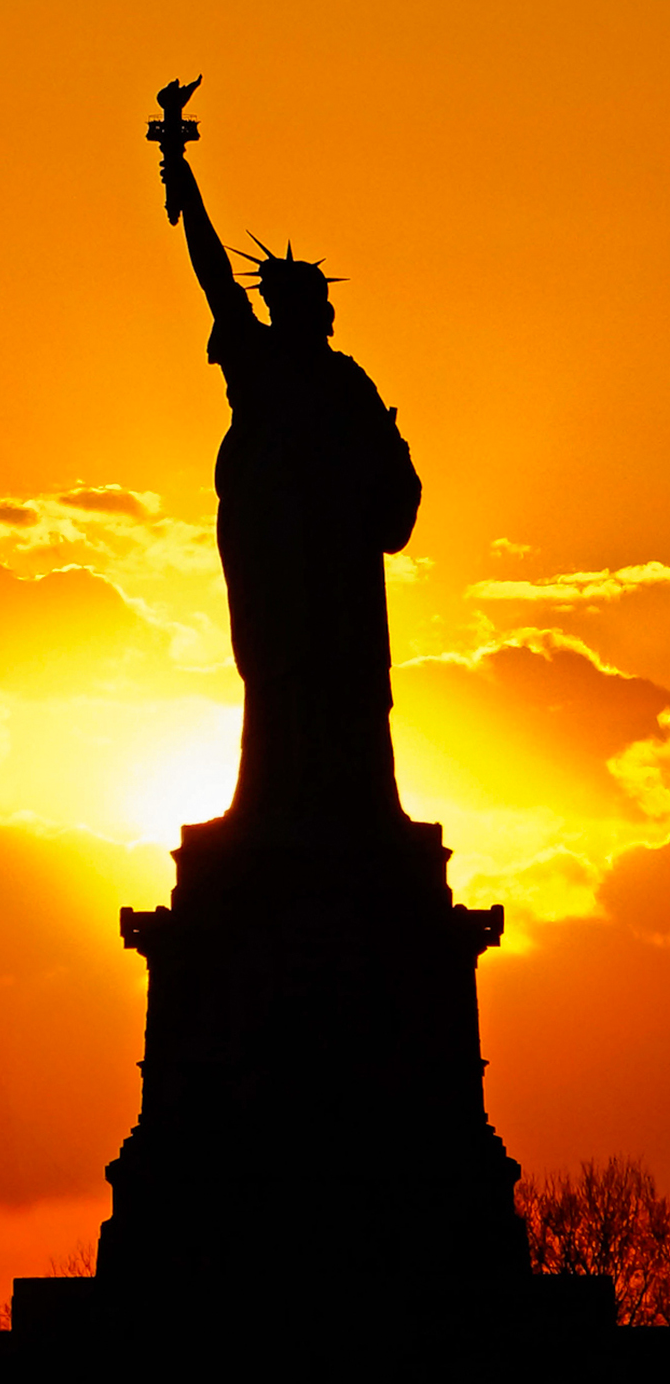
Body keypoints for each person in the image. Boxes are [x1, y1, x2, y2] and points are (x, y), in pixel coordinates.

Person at [155, 79, 422, 837]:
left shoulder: (347, 381)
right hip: (281, 553)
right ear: (288, 308)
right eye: (306, 300)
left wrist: (391, 474)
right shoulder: (260, 360)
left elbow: (390, 471)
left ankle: (357, 811)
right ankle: (274, 806)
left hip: (338, 560)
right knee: (283, 679)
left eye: (319, 301)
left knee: (350, 683)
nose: (321, 311)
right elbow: (210, 267)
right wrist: (178, 166)